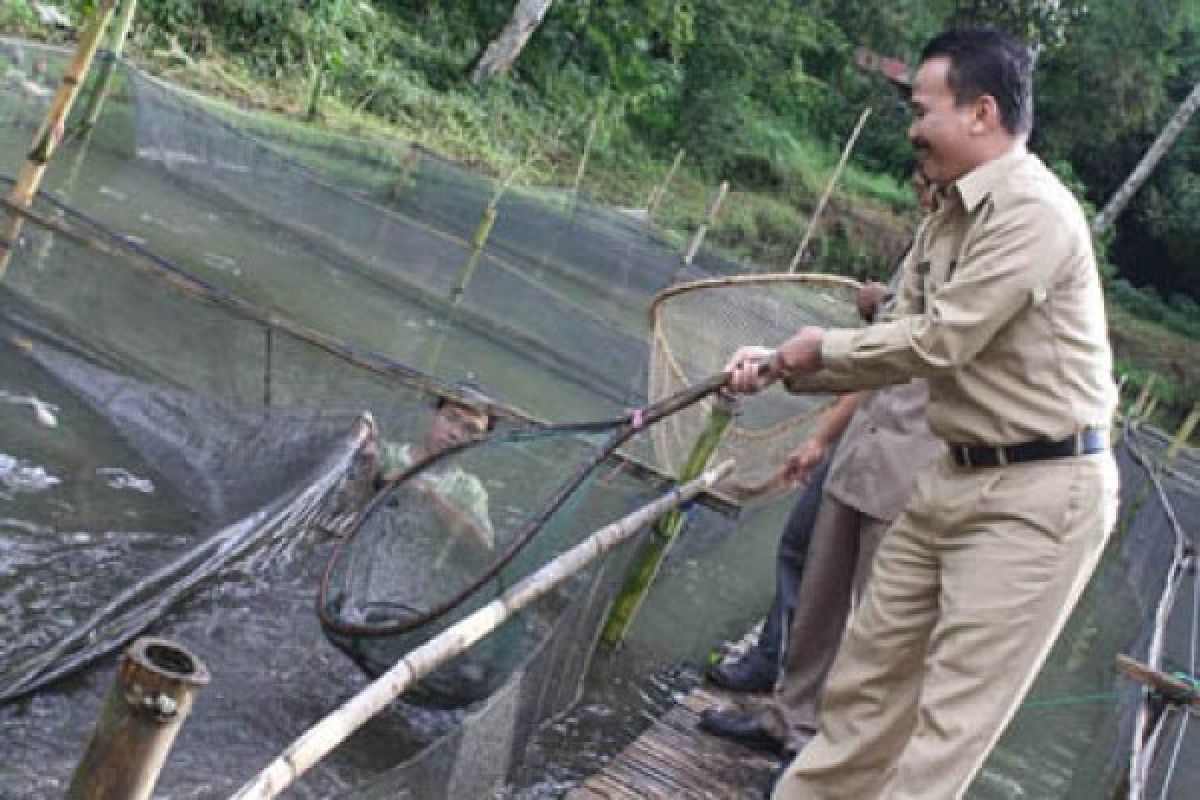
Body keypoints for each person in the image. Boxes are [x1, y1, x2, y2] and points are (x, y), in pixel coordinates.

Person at [724, 28, 1119, 799]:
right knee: (864, 684)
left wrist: (814, 351)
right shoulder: (947, 213)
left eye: (921, 108)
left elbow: (942, 341)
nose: (911, 128)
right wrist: (777, 363)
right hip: (953, 471)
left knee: (948, 725)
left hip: (1040, 494)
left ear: (981, 113)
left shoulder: (1035, 212)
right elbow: (890, 331)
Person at [705, 168, 939, 697]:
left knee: (859, 596)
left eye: (931, 185)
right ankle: (779, 679)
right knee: (800, 548)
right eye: (920, 184)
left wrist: (809, 414)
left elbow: (891, 359)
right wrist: (823, 439)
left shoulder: (971, 258)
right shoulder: (924, 248)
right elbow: (871, 360)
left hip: (906, 458)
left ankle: (809, 716)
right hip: (865, 433)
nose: (923, 195)